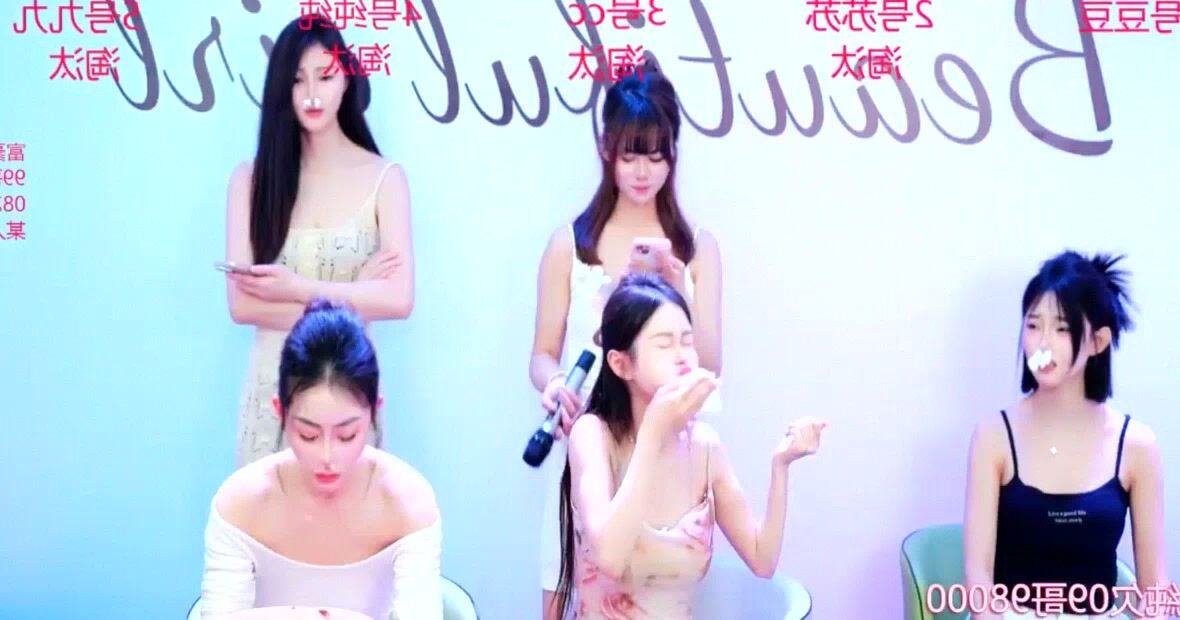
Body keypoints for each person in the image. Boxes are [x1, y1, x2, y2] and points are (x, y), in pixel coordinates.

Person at [529, 62, 723, 619]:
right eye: (630, 154)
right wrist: (555, 384)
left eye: (656, 156)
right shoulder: (571, 246)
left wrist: (677, 288)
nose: (642, 171)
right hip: (586, 449)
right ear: (606, 149)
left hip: (668, 462)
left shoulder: (696, 248)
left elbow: (710, 366)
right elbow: (542, 354)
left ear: (673, 155)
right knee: (562, 594)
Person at [552, 272, 826, 619]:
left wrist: (781, 466)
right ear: (621, 364)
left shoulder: (705, 446)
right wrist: (653, 432)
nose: (683, 356)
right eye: (664, 344)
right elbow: (610, 557)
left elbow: (762, 560)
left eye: (687, 341)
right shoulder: (592, 434)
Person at [224, 13, 414, 466]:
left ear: (346, 80)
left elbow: (399, 299)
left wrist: (296, 289)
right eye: (297, 80)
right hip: (273, 392)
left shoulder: (384, 178)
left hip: (347, 393)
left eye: (325, 77)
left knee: (350, 506)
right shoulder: (251, 181)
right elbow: (243, 306)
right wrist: (352, 301)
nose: (312, 93)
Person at [200, 299, 442, 620]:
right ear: (281, 413)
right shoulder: (240, 505)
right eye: (309, 435)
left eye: (347, 435)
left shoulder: (407, 503)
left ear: (374, 411)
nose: (328, 457)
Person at [963, 251, 1168, 619]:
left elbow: (1154, 589)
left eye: (1062, 329)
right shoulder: (993, 437)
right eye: (1033, 326)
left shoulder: (1137, 446)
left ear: (1098, 342)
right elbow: (978, 582)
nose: (1043, 343)